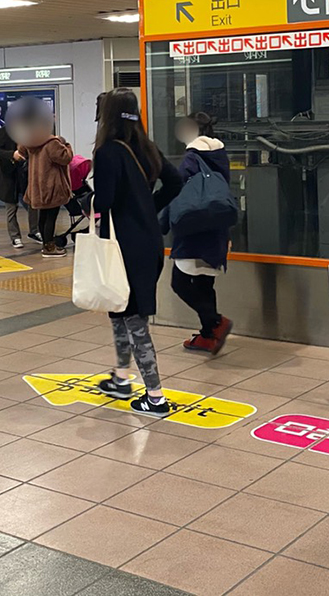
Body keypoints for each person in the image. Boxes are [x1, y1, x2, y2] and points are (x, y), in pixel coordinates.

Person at [92, 89, 183, 417]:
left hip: (123, 246)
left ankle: (155, 397)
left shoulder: (108, 153)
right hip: (148, 242)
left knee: (133, 318)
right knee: (118, 309)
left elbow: (103, 201)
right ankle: (120, 377)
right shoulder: (147, 147)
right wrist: (148, 208)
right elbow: (176, 183)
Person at [169, 112, 235, 354]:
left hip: (194, 229)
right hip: (216, 229)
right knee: (205, 284)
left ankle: (215, 322)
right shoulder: (219, 156)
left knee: (180, 283)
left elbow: (178, 192)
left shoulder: (191, 158)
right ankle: (209, 335)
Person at [10, 97, 74, 258]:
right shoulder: (52, 143)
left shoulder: (30, 141)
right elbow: (65, 158)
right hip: (51, 185)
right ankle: (49, 247)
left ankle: (46, 245)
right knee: (51, 216)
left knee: (43, 216)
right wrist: (66, 145)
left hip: (37, 186)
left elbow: (22, 153)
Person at [0, 124, 35, 249]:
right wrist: (12, 154)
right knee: (11, 209)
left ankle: (35, 231)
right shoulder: (4, 132)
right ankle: (15, 237)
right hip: (8, 177)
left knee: (33, 205)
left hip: (24, 175)